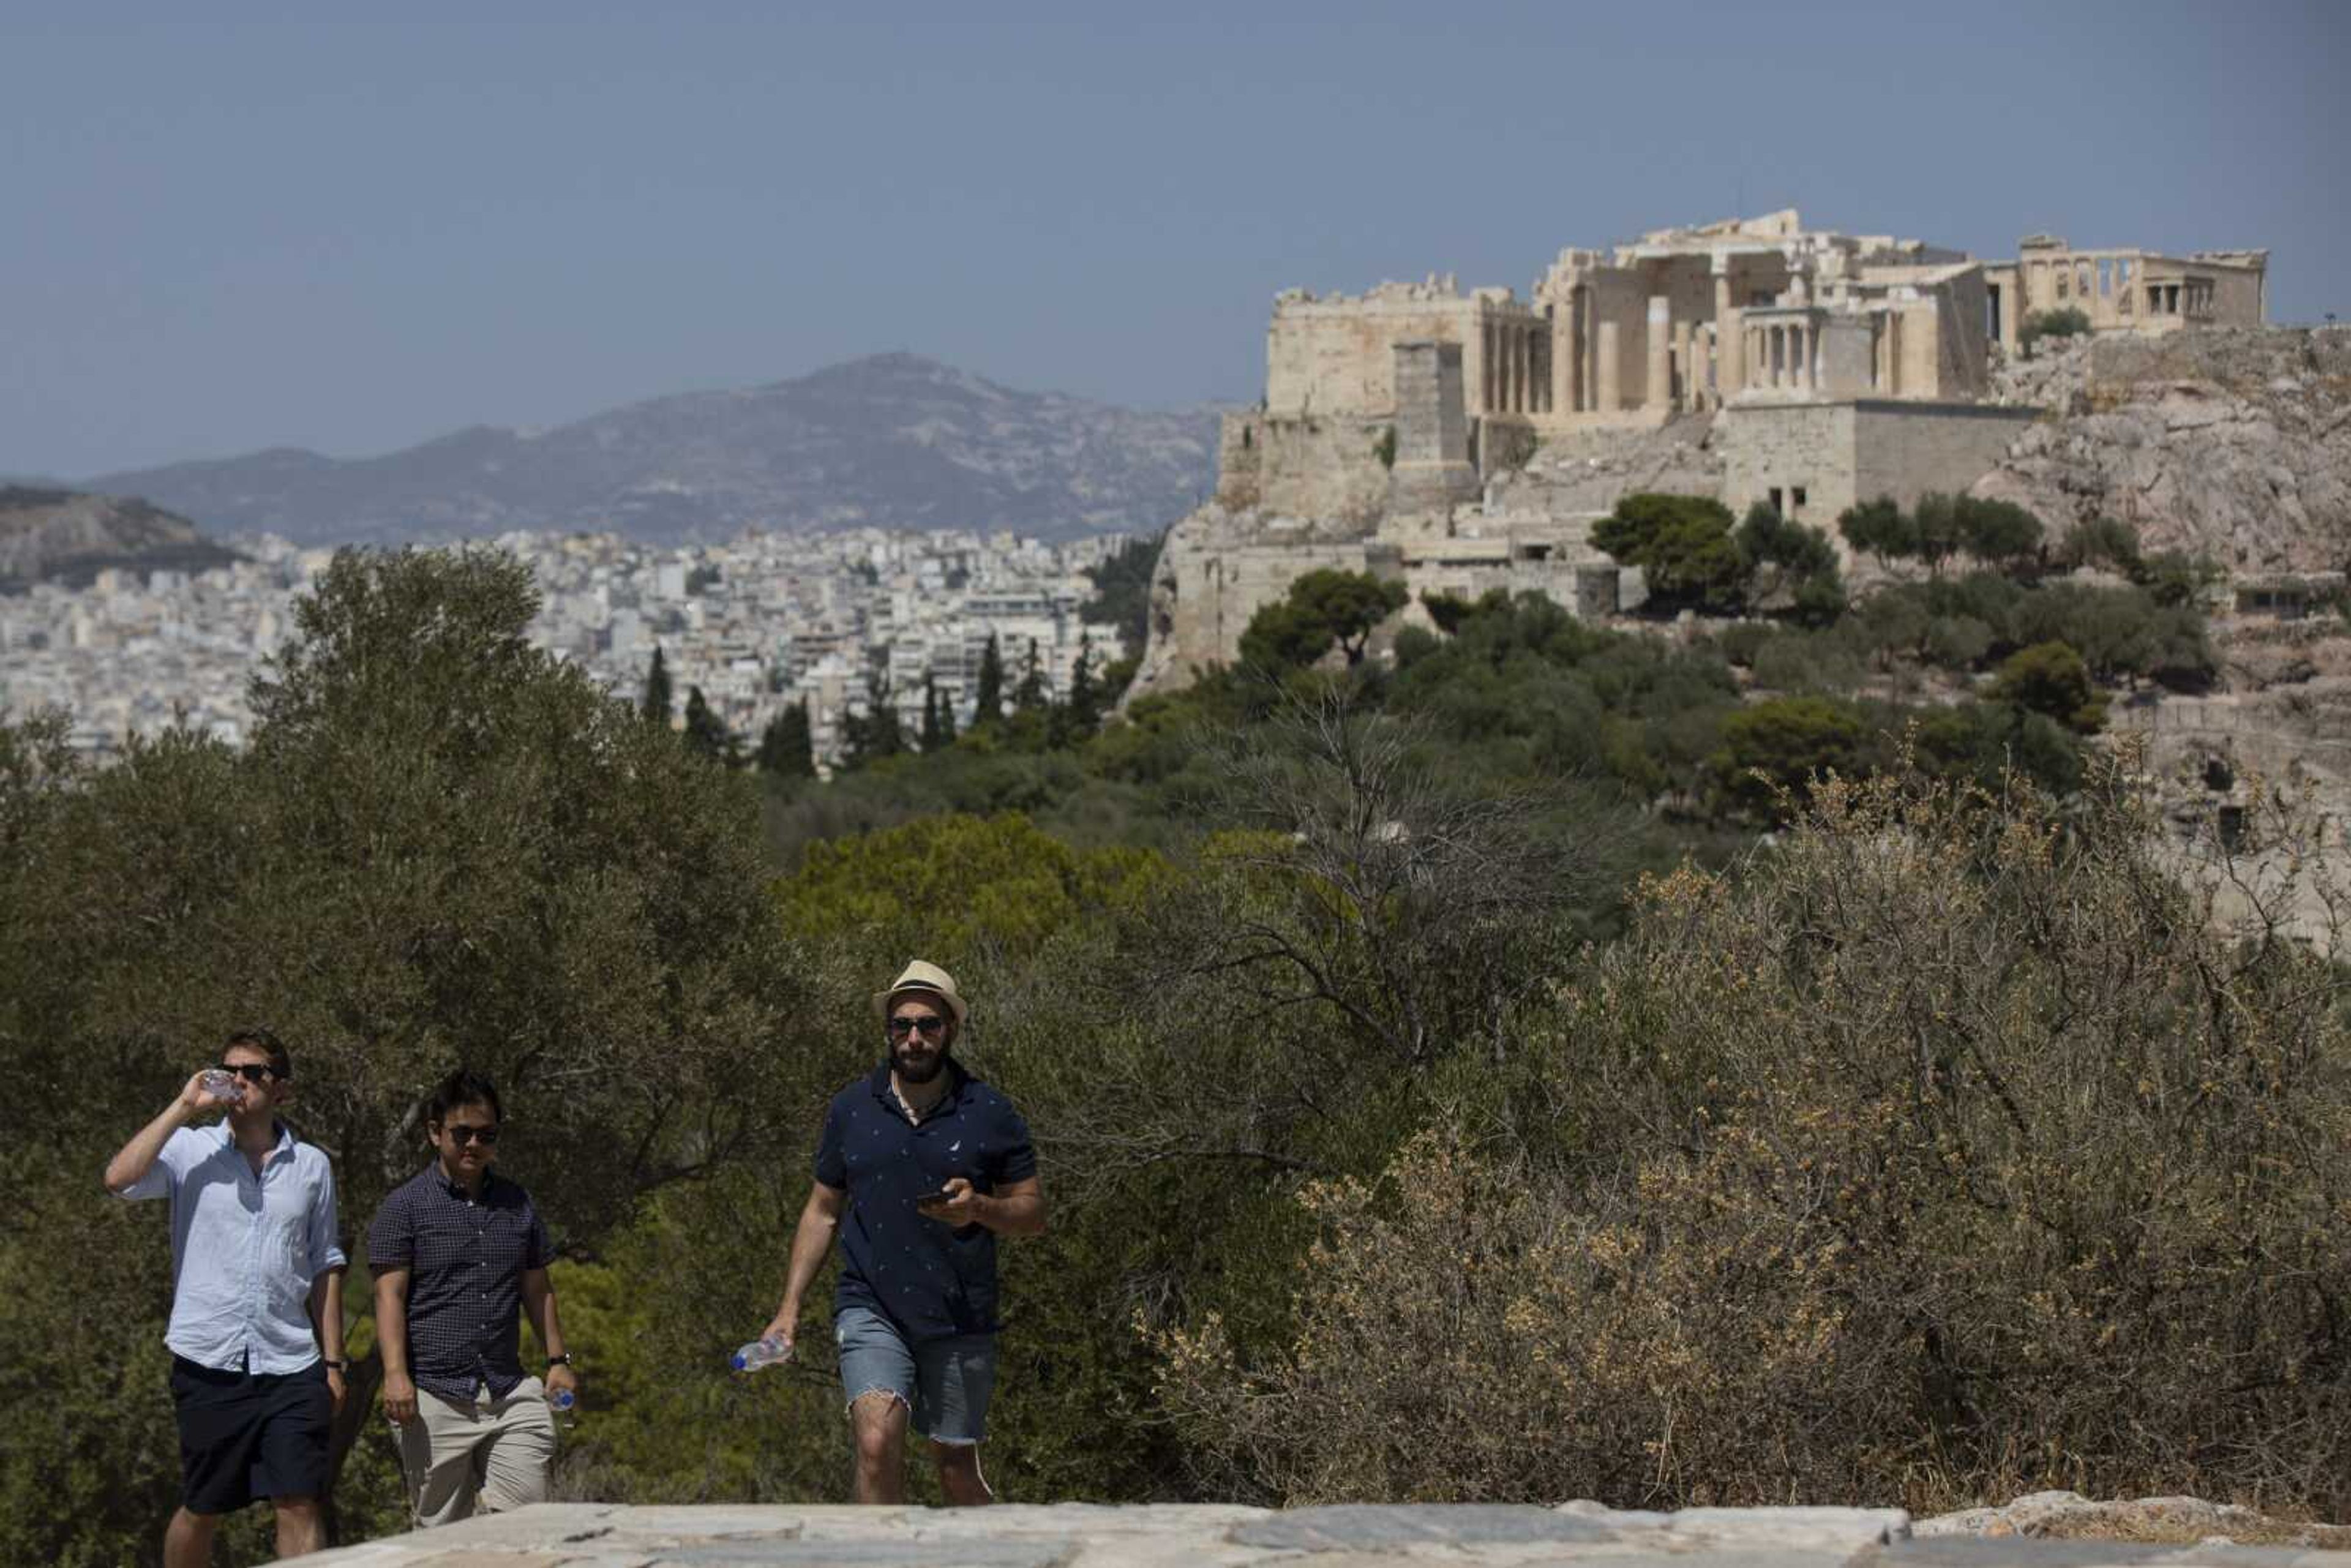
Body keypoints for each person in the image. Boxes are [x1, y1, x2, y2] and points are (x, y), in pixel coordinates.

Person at [762, 959, 1047, 1506]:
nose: (914, 1038)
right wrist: (789, 1309)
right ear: (888, 1030)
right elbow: (822, 1210)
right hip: (870, 1302)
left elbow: (1033, 1214)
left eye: (928, 1026)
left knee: (956, 1471)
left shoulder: (991, 1112)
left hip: (960, 1311)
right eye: (902, 1025)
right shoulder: (851, 1109)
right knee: (875, 1441)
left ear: (951, 1030)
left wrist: (981, 1208)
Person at [103, 1027, 348, 1566]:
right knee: (204, 1505)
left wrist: (332, 1362)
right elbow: (119, 1178)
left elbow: (326, 1262)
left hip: (291, 1360)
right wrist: (185, 1104)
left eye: (254, 1072)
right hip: (209, 1359)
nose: (238, 1080)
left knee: (299, 1501)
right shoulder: (190, 1150)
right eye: (229, 1069)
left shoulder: (311, 1166)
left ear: (280, 1088)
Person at [367, 1070, 578, 1527]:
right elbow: (389, 1296)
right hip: (434, 1396)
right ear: (434, 1132)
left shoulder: (517, 1202)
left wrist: (558, 1359)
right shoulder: (404, 1207)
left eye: (486, 1134)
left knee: (526, 1521)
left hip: (508, 1389)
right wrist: (395, 1375)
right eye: (462, 1132)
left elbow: (538, 1288)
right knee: (441, 1534)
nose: (473, 1144)